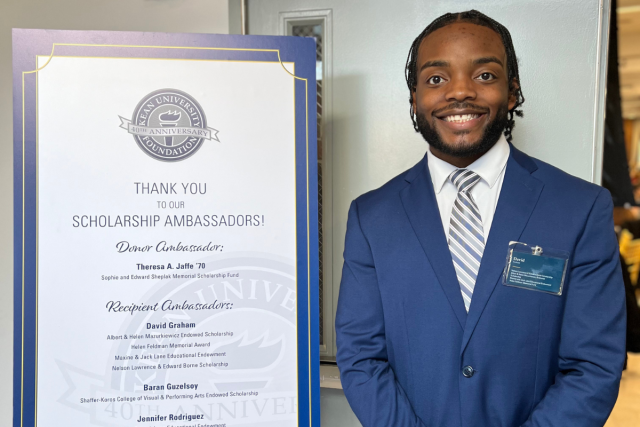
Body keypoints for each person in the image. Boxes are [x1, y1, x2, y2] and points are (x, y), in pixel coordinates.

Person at [335, 10, 626, 427]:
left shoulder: (580, 208)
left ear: (512, 91)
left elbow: (594, 366)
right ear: (414, 98)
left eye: (485, 75)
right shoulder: (371, 216)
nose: (459, 92)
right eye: (436, 79)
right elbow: (361, 356)